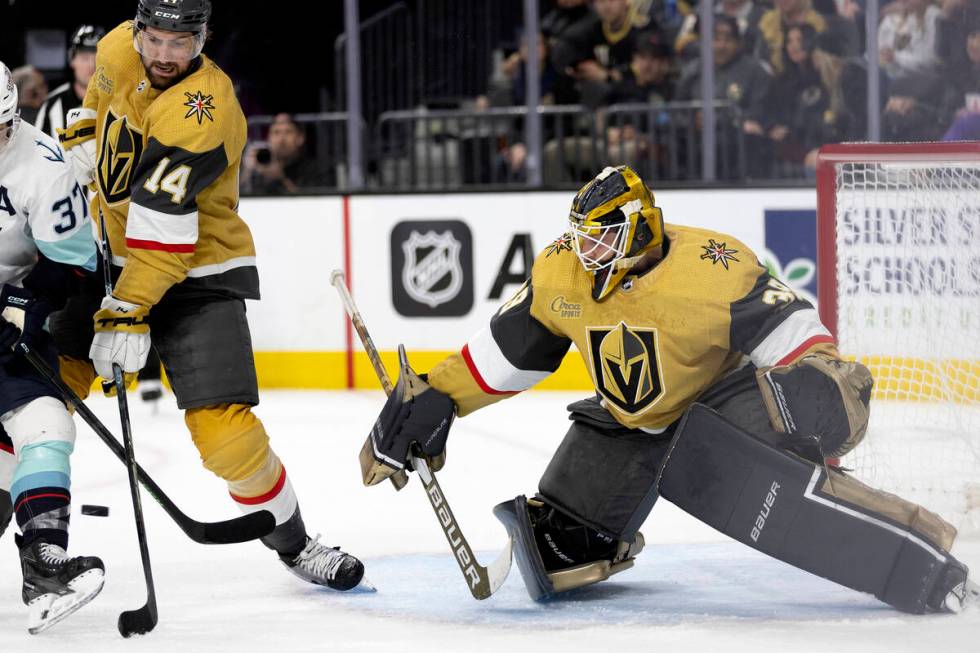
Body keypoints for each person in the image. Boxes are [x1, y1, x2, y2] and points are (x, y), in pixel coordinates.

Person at [362, 164, 979, 614]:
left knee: (772, 486)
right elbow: (509, 349)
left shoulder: (713, 266)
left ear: (639, 226)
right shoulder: (562, 271)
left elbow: (798, 334)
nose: (586, 251)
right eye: (581, 237)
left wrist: (822, 384)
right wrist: (438, 397)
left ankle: (917, 558)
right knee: (563, 537)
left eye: (601, 237)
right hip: (634, 421)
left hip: (725, 408)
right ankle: (593, 534)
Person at [54, 0, 366, 591]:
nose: (167, 54)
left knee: (227, 437)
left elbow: (164, 234)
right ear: (139, 30)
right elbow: (98, 99)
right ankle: (34, 536)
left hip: (198, 272)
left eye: (183, 41)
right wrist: (84, 134)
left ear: (204, 38)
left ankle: (297, 544)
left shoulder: (206, 109)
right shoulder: (119, 46)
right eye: (157, 39)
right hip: (110, 260)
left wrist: (126, 310)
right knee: (38, 395)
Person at [0, 60, 105, 633]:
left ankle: (45, 561)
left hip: (6, 323)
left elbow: (74, 266)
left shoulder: (43, 166)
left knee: (46, 425)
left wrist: (24, 303)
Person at [35, 25, 105, 137]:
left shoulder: (117, 101)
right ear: (72, 60)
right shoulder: (52, 105)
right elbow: (38, 149)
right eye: (84, 58)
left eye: (98, 58)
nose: (92, 65)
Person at [242, 113, 330, 195]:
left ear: (300, 138)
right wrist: (247, 172)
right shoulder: (260, 165)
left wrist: (279, 177)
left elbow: (312, 203)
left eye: (288, 132)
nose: (281, 140)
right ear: (268, 138)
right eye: (276, 132)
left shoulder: (315, 169)